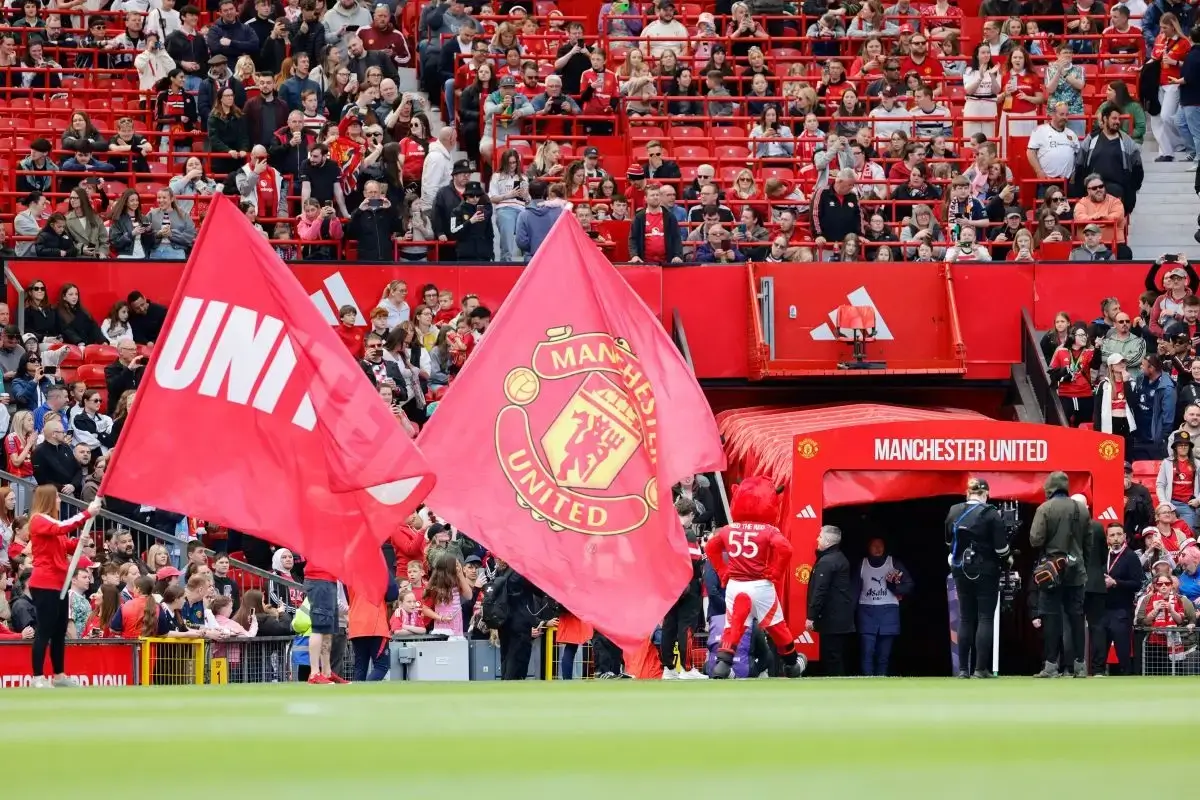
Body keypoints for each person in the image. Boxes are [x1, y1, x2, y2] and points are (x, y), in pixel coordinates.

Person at [704, 476, 805, 679]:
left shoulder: (728, 529)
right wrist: (775, 572)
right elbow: (785, 549)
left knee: (733, 626)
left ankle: (723, 665)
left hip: (736, 584)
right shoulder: (768, 530)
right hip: (760, 584)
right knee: (777, 627)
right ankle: (792, 664)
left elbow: (710, 547)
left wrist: (723, 571)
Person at [27, 484, 102, 687]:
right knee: (45, 629)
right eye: (57, 498)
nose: (60, 501)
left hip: (60, 583)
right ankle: (37, 677)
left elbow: (64, 543)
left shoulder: (51, 523)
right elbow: (62, 528)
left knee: (59, 630)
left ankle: (59, 675)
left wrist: (81, 541)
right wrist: (87, 513)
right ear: (49, 500)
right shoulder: (38, 520)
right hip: (45, 583)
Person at [945, 477, 1009, 678]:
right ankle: (980, 669)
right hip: (986, 570)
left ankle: (963, 669)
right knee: (985, 618)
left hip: (960, 568)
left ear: (967, 493)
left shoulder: (954, 510)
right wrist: (1008, 557)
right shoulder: (991, 513)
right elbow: (1001, 548)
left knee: (965, 617)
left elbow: (949, 541)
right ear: (985, 494)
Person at [1029, 471, 1092, 678]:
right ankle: (1080, 665)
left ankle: (1050, 666)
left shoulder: (1044, 508)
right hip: (1077, 571)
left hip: (1051, 571)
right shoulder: (1081, 509)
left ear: (1050, 488)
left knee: (1051, 619)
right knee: (1076, 617)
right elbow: (1088, 543)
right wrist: (1081, 562)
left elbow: (1035, 540)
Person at [854, 537, 914, 676]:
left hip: (888, 613)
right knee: (867, 652)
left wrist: (895, 588)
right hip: (866, 612)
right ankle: (867, 682)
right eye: (874, 545)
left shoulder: (893, 563)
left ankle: (881, 681)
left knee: (883, 655)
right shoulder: (862, 564)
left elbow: (909, 585)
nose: (877, 548)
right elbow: (854, 590)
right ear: (868, 547)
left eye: (880, 545)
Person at [1092, 523, 1141, 675]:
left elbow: (1137, 584)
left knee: (1123, 650)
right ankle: (1097, 675)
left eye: (1119, 534)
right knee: (1098, 649)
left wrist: (1115, 583)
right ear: (1107, 538)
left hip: (1121, 610)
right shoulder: (1102, 556)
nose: (1116, 538)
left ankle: (1126, 678)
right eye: (1112, 535)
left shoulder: (1131, 556)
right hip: (1101, 609)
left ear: (1125, 536)